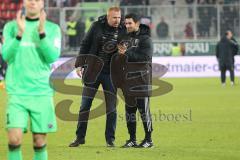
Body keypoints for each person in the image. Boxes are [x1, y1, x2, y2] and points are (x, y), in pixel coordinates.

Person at [1, 0, 61, 159]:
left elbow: (52, 57)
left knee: (39, 141)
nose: (33, 1)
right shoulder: (11, 27)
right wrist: (19, 34)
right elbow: (6, 55)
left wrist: (41, 33)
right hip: (17, 92)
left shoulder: (52, 29)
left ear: (42, 4)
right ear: (24, 2)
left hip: (41, 92)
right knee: (14, 139)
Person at [69, 7, 125, 147]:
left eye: (119, 17)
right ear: (108, 17)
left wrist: (124, 52)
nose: (117, 20)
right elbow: (85, 44)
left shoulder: (124, 29)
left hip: (111, 74)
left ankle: (110, 140)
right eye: (114, 18)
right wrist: (79, 64)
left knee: (111, 108)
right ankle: (79, 138)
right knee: (85, 106)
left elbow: (129, 49)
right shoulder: (96, 26)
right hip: (93, 72)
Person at [117, 13, 153, 148]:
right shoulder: (125, 38)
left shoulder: (146, 39)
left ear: (137, 23)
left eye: (130, 23)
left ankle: (149, 140)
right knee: (130, 112)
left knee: (144, 112)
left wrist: (126, 52)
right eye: (126, 23)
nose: (127, 25)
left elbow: (144, 57)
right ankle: (132, 139)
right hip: (128, 81)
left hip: (142, 80)